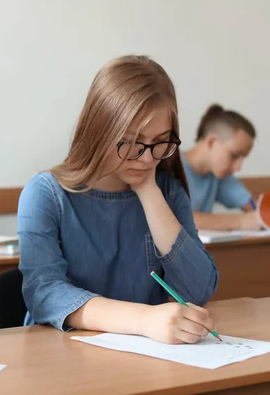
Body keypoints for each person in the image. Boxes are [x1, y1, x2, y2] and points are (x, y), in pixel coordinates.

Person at [18, 55, 218, 345]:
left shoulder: (168, 191)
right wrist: (144, 320)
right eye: (132, 142)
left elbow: (198, 290)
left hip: (153, 358)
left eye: (160, 141)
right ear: (99, 131)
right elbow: (44, 293)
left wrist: (149, 192)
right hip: (65, 357)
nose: (148, 157)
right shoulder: (46, 194)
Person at [181, 104, 261, 230]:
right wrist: (241, 221)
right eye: (234, 155)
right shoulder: (168, 167)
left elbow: (252, 204)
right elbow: (174, 218)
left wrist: (261, 212)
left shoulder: (218, 175)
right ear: (212, 141)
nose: (238, 167)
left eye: (243, 158)